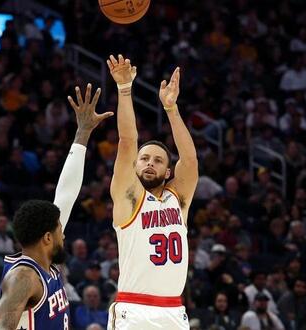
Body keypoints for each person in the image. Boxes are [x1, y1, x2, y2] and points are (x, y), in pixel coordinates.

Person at [0, 84, 113, 329]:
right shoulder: (24, 276)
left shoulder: (46, 264)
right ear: (47, 237)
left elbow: (65, 194)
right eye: (60, 229)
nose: (64, 233)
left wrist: (83, 132)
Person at [106, 55, 198, 329]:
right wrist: (124, 90)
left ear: (167, 172)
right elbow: (127, 141)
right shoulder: (129, 197)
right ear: (135, 165)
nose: (149, 163)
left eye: (158, 161)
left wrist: (171, 109)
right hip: (134, 310)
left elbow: (190, 161)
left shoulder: (178, 200)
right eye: (144, 158)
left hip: (174, 311)